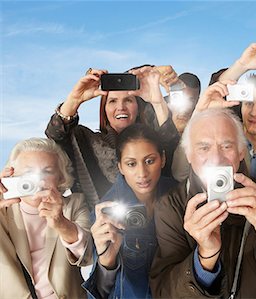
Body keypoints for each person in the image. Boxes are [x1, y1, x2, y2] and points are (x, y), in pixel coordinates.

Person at [150, 107, 256, 298]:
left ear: (241, 152)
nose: (217, 159)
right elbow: (165, 293)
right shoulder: (170, 207)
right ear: (189, 156)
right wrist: (206, 255)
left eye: (226, 146)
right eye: (204, 148)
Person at [45, 65, 179, 211]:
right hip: (100, 226)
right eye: (112, 101)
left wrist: (158, 102)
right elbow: (56, 135)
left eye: (128, 100)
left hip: (158, 222)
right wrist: (74, 99)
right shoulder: (86, 142)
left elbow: (169, 142)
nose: (121, 107)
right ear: (104, 109)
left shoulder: (153, 142)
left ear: (138, 106)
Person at [83, 123, 176, 298]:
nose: (142, 173)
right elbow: (99, 293)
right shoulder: (106, 212)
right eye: (131, 164)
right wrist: (106, 261)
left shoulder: (179, 196)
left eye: (149, 161)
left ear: (162, 159)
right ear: (120, 167)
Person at [0, 138, 93, 298]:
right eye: (28, 172)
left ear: (61, 178)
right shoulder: (2, 211)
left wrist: (62, 223)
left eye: (48, 171)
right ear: (11, 175)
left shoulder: (74, 204)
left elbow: (89, 256)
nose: (39, 180)